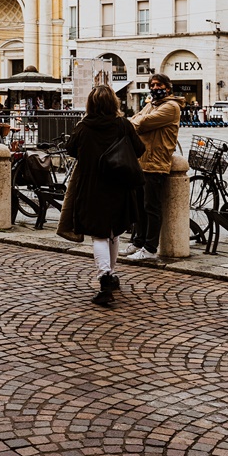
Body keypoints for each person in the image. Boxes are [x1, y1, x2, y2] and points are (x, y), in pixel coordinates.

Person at [58, 85, 145, 307]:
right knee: (114, 232)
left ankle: (105, 278)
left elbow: (70, 149)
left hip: (92, 186)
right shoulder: (123, 125)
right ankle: (111, 274)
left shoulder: (84, 127)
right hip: (119, 184)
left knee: (98, 235)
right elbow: (139, 149)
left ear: (91, 104)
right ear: (113, 103)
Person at [121, 73, 181, 261]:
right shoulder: (150, 105)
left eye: (159, 84)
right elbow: (135, 119)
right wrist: (134, 122)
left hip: (156, 162)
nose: (155, 88)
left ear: (168, 88)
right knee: (139, 206)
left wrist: (133, 123)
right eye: (152, 85)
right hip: (142, 161)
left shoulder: (171, 107)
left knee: (151, 207)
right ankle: (138, 243)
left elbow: (142, 122)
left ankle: (150, 248)